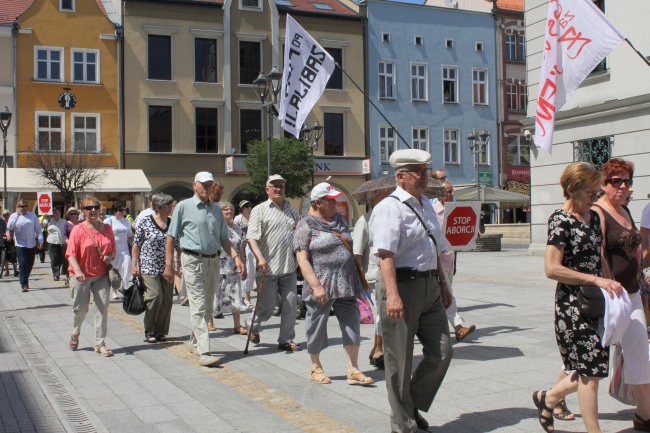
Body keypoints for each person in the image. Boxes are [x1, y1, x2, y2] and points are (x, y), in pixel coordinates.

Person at [532, 162, 622, 433]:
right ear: (572, 190)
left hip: (597, 301)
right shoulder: (560, 220)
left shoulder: (593, 217)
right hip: (572, 304)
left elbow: (597, 257)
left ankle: (547, 398)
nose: (595, 199)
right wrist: (595, 279)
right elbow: (551, 269)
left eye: (597, 193)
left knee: (594, 367)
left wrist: (610, 284)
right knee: (590, 373)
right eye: (590, 193)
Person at [369, 149, 453, 433]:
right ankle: (403, 425)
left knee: (442, 351)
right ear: (400, 177)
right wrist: (392, 294)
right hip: (402, 286)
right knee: (399, 361)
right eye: (418, 172)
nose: (424, 177)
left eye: (425, 171)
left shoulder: (426, 204)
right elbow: (386, 257)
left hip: (429, 284)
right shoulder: (388, 208)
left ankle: (410, 404)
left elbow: (433, 246)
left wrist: (443, 283)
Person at [295, 182, 374, 386]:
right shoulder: (305, 226)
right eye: (330, 200)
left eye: (335, 200)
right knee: (317, 325)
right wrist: (316, 286)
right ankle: (315, 366)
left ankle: (353, 369)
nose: (335, 204)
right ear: (317, 202)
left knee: (352, 324)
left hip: (346, 281)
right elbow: (302, 260)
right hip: (322, 283)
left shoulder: (339, 219)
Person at [592, 158, 650, 431]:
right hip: (610, 298)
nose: (624, 186)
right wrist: (607, 286)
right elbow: (598, 254)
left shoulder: (625, 209)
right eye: (617, 181)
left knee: (639, 352)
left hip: (634, 293)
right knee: (591, 360)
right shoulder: (597, 213)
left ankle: (644, 416)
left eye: (627, 181)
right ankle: (551, 396)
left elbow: (636, 250)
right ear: (604, 184)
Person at [165, 172, 244, 367]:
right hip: (192, 260)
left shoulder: (217, 210)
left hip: (214, 261)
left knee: (208, 307)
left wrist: (236, 257)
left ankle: (194, 340)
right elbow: (171, 237)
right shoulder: (183, 207)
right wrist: (169, 264)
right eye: (204, 185)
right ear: (195, 185)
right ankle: (205, 350)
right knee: (199, 306)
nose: (207, 188)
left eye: (210, 185)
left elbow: (224, 238)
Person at [246, 174, 301, 351]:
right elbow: (251, 238)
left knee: (291, 305)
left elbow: (299, 233)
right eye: (274, 186)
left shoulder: (291, 210)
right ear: (267, 189)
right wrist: (260, 258)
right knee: (267, 307)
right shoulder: (259, 210)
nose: (278, 189)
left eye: (281, 186)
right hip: (268, 267)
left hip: (289, 267)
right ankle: (252, 324)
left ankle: (286, 339)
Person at [66, 196, 117, 357]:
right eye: (89, 208)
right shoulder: (78, 230)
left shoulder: (107, 229)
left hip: (101, 275)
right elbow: (70, 254)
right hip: (80, 275)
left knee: (102, 309)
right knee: (81, 310)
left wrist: (110, 256)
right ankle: (75, 332)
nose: (93, 210)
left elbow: (113, 250)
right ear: (83, 211)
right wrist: (78, 271)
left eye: (95, 207)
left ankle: (100, 343)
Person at [430, 169, 476, 341]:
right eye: (448, 191)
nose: (452, 193)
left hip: (450, 259)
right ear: (440, 193)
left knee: (442, 294)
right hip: (437, 261)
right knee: (446, 292)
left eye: (451, 190)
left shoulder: (455, 209)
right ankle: (458, 326)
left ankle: (432, 328)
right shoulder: (432, 210)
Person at [352, 186, 393, 370]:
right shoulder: (365, 220)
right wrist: (360, 280)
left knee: (384, 315)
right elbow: (357, 254)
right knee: (381, 315)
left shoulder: (390, 219)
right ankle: (378, 349)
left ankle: (378, 348)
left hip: (388, 275)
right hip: (371, 277)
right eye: (385, 195)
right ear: (373, 199)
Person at [132, 193, 175, 343]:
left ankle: (160, 331)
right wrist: (134, 264)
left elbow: (179, 245)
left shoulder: (172, 223)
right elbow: (136, 244)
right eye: (168, 205)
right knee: (155, 296)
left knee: (167, 300)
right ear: (160, 207)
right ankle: (149, 330)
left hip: (167, 266)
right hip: (148, 264)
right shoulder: (145, 221)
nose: (171, 208)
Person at [209, 202, 248, 335]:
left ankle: (237, 325)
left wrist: (243, 264)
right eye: (225, 209)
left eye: (231, 209)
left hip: (234, 266)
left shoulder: (238, 228)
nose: (229, 211)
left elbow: (241, 247)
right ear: (220, 212)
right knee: (215, 293)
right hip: (218, 265)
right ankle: (210, 321)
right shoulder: (216, 226)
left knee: (236, 295)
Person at [7, 199, 43, 292]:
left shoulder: (32, 215)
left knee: (29, 264)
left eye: (25, 206)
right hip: (20, 244)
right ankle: (24, 284)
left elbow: (38, 229)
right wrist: (17, 215)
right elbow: (9, 227)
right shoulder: (13, 216)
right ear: (17, 207)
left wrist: (40, 240)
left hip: (31, 243)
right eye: (21, 206)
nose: (23, 208)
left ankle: (24, 279)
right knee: (22, 263)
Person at [104, 200, 133, 299]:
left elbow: (129, 236)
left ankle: (123, 287)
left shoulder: (126, 221)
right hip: (113, 250)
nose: (122, 212)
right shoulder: (109, 221)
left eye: (123, 210)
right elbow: (104, 236)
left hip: (125, 250)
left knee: (127, 266)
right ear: (115, 211)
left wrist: (135, 246)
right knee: (114, 271)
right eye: (120, 210)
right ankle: (114, 290)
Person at [234, 200, 255, 309]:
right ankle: (245, 297)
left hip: (252, 245)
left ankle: (247, 297)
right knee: (246, 270)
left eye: (249, 205)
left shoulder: (254, 217)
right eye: (246, 206)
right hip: (241, 246)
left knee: (252, 271)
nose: (249, 207)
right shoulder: (238, 218)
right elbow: (234, 232)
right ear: (242, 208)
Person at [46, 207, 67, 281]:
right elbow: (40, 226)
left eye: (58, 212)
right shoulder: (49, 220)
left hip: (61, 242)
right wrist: (44, 216)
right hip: (52, 241)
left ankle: (57, 270)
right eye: (55, 212)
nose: (57, 214)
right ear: (53, 214)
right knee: (54, 258)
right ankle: (56, 274)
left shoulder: (64, 221)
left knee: (61, 259)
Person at [62, 207, 81, 286]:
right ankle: (68, 276)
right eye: (71, 214)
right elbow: (64, 235)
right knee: (69, 262)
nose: (73, 215)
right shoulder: (66, 223)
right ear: (68, 215)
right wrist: (69, 242)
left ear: (77, 215)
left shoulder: (80, 223)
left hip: (79, 245)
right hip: (69, 245)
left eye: (75, 213)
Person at [3, 209, 19, 278]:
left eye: (7, 214)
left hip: (12, 240)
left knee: (13, 256)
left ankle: (15, 270)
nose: (6, 216)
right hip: (4, 240)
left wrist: (11, 237)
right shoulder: (2, 222)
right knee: (5, 257)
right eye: (4, 215)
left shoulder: (12, 222)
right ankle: (7, 271)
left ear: (9, 215)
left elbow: (15, 231)